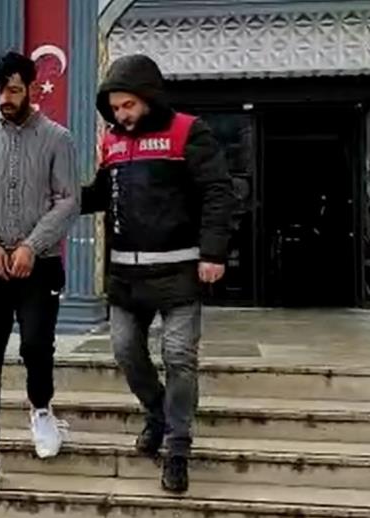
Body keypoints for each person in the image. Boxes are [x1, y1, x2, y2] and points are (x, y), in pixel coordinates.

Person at [81, 54, 234, 493]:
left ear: (149, 98)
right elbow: (102, 195)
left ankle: (178, 448)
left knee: (179, 357)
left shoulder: (188, 131)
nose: (121, 115)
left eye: (128, 105)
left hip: (179, 272)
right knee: (126, 351)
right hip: (125, 278)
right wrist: (60, 198)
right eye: (115, 108)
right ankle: (157, 412)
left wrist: (213, 252)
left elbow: (218, 192)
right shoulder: (112, 141)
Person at [0, 51, 80, 492]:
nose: (4, 99)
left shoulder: (57, 138)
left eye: (13, 90)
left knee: (36, 345)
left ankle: (41, 409)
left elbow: (69, 200)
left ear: (30, 88)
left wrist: (32, 245)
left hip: (39, 266)